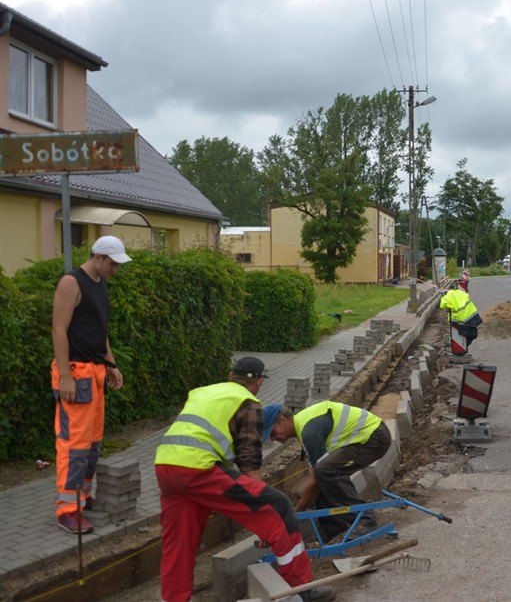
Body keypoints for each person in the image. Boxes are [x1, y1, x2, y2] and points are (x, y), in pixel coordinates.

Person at [154, 357, 332, 602]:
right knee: (278, 507)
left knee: (180, 542)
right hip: (198, 469)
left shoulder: (203, 393)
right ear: (259, 382)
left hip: (165, 466)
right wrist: (262, 517)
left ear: (230, 375)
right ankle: (300, 591)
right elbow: (249, 458)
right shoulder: (248, 402)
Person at [50, 235, 131, 534]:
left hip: (95, 372)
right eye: (112, 263)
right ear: (98, 256)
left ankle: (82, 496)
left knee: (92, 442)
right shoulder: (71, 282)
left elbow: (100, 330)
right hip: (76, 373)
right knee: (74, 445)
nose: (115, 269)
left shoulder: (100, 283)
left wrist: (110, 365)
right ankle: (67, 509)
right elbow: (59, 329)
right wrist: (66, 375)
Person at [268, 401, 391, 541]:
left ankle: (364, 520)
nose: (272, 439)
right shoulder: (305, 426)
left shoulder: (309, 432)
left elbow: (314, 481)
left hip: (373, 438)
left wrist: (295, 512)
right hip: (370, 437)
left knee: (325, 471)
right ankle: (334, 529)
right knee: (323, 475)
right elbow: (315, 479)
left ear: (283, 421)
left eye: (272, 432)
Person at [439, 288, 483, 352]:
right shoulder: (461, 293)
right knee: (472, 334)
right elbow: (467, 296)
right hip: (472, 316)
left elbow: (442, 306)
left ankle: (461, 349)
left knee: (462, 334)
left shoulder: (446, 297)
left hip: (461, 319)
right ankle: (463, 347)